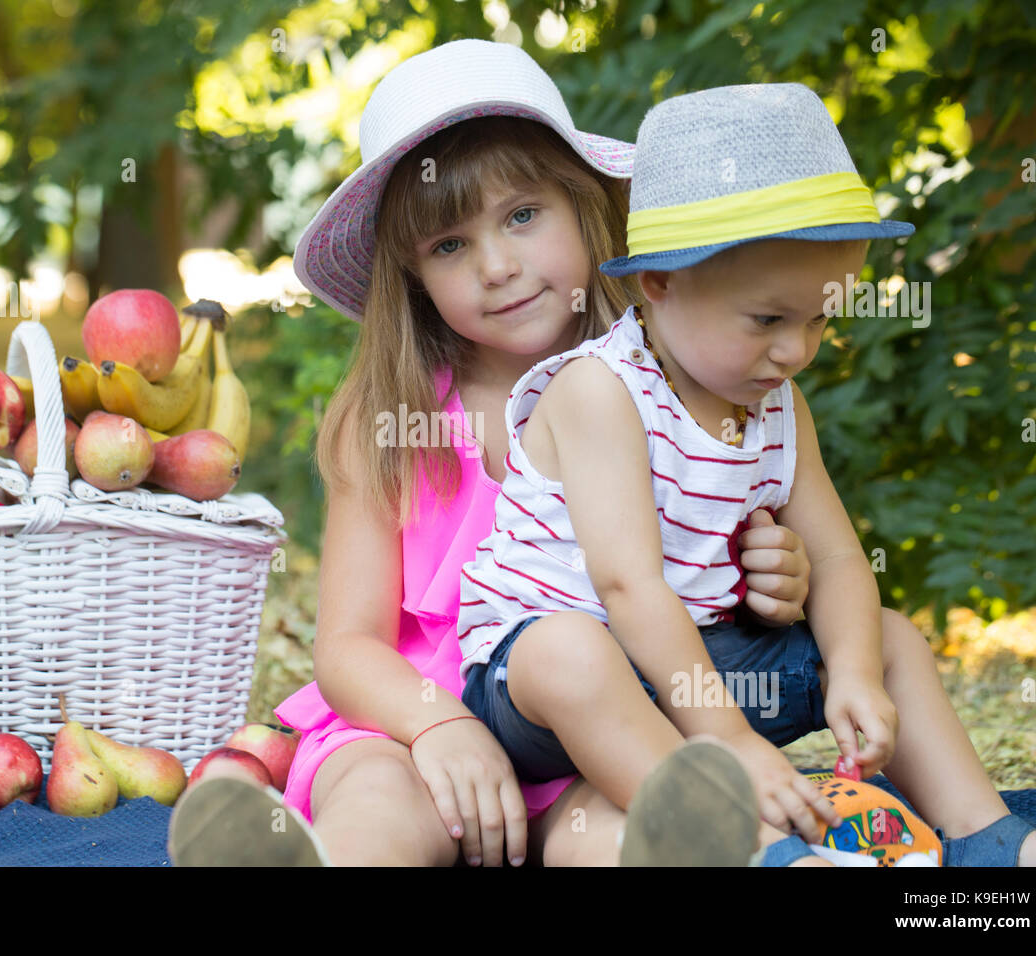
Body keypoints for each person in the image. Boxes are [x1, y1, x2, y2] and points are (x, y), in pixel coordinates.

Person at [167, 41, 817, 867]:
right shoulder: (391, 419)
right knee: (377, 801)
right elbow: (348, 647)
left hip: (598, 733)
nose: (498, 267)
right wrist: (440, 723)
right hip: (413, 725)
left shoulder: (672, 388)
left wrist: (771, 581)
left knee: (635, 830)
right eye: (449, 246)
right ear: (412, 275)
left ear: (583, 205)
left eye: (521, 216)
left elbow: (700, 582)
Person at [455, 82, 1036, 867]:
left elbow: (840, 558)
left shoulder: (778, 402)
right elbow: (630, 591)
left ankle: (988, 837)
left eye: (821, 319)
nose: (798, 351)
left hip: (700, 660)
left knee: (885, 636)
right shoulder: (600, 391)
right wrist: (730, 741)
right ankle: (744, 840)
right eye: (769, 320)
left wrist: (853, 674)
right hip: (544, 691)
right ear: (660, 283)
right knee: (571, 650)